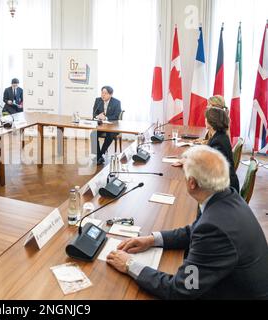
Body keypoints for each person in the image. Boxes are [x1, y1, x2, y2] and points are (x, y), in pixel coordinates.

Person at [106, 146, 268, 300]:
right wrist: (152, 239)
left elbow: (181, 290)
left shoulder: (214, 227)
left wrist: (129, 264)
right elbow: (195, 230)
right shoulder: (226, 197)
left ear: (192, 183)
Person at [206, 107, 239, 191]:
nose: (205, 119)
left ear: (211, 122)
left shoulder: (218, 141)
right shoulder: (220, 135)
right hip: (224, 182)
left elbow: (210, 166)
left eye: (206, 118)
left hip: (225, 189)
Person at [90, 86, 122, 165]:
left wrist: (106, 117)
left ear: (111, 94)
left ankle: (100, 155)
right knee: (93, 134)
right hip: (101, 126)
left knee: (110, 135)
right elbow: (94, 114)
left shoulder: (116, 102)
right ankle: (98, 156)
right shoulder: (98, 100)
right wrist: (98, 116)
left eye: (105, 93)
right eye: (102, 93)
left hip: (113, 127)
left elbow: (116, 116)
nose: (103, 95)